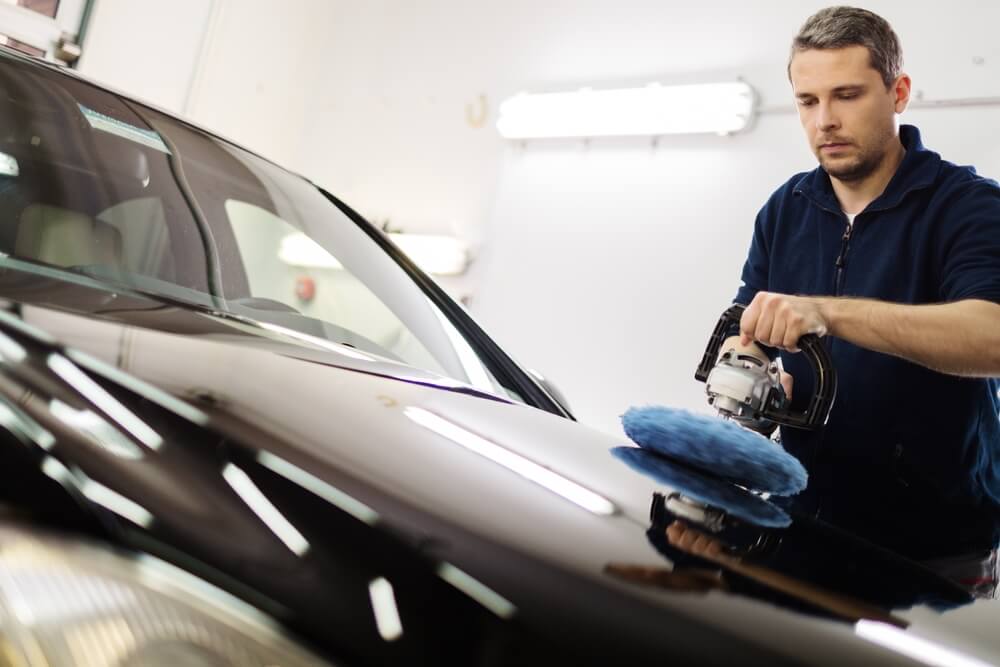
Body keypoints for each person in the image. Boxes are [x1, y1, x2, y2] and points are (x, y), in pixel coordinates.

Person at [725, 5, 1000, 591]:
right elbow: (748, 326)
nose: (825, 120)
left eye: (847, 95)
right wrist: (751, 373)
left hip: (932, 553)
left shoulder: (969, 207)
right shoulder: (787, 207)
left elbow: (992, 337)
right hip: (798, 521)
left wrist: (826, 313)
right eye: (808, 101)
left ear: (898, 92)